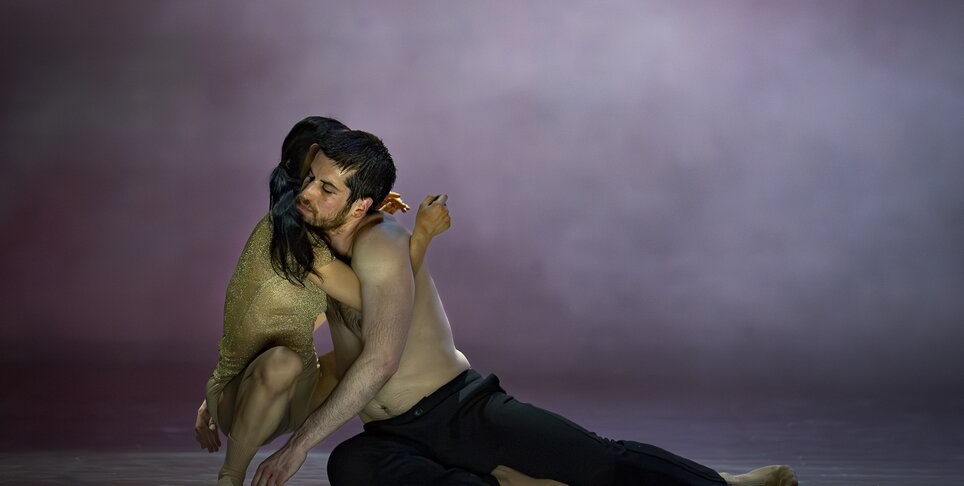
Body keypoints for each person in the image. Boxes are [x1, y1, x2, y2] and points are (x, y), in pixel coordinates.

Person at [251, 128, 798, 486]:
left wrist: (296, 447)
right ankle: (508, 483)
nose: (308, 194)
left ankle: (724, 484)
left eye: (326, 189)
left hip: (459, 410)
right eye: (310, 180)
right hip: (392, 434)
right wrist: (230, 391)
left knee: (597, 460)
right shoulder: (320, 251)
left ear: (361, 205)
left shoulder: (383, 242)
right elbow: (314, 346)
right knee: (351, 466)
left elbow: (380, 360)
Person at [193, 117, 452, 486]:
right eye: (321, 178)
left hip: (284, 388)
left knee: (361, 356)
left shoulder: (314, 231)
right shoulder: (299, 243)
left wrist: (364, 206)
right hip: (254, 391)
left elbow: (303, 316)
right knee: (292, 361)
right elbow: (378, 300)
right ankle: (231, 475)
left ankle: (415, 445)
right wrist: (422, 236)